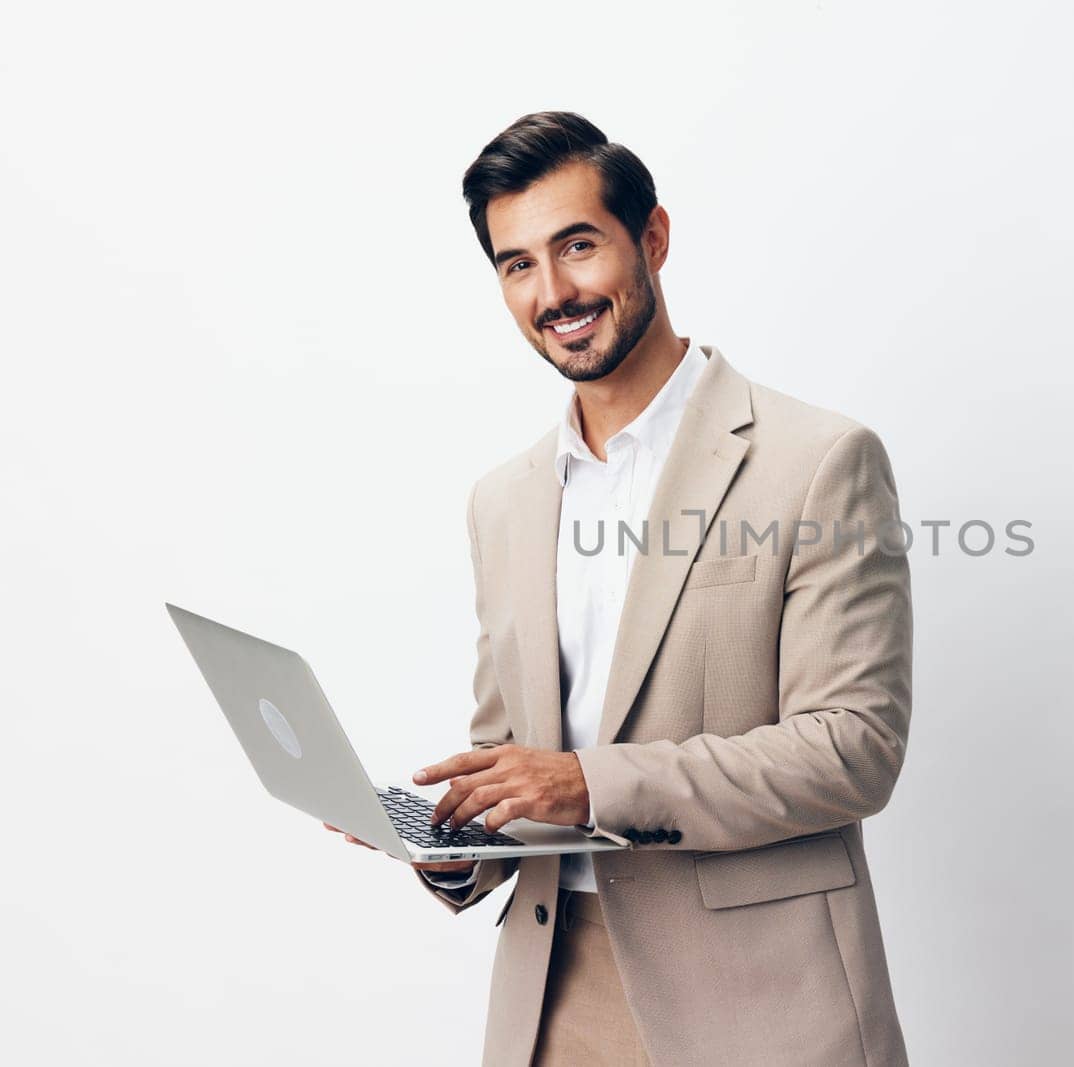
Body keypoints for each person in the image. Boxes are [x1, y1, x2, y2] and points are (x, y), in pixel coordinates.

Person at [327, 111, 912, 1066]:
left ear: (653, 239)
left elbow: (854, 748)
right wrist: (457, 844)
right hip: (554, 998)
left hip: (761, 1002)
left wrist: (586, 781)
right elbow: (506, 754)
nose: (553, 292)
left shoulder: (818, 462)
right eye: (517, 265)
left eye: (577, 246)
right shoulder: (503, 501)